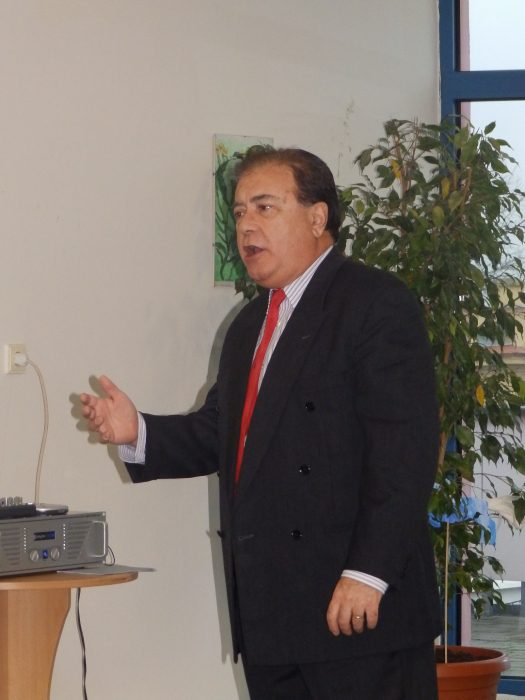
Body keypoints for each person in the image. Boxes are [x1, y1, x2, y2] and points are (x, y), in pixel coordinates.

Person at [80, 147, 442, 699]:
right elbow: (223, 432)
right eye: (240, 211)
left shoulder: (374, 303)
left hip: (359, 611)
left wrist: (369, 573)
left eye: (265, 207)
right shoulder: (250, 324)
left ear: (317, 218)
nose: (246, 225)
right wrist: (138, 432)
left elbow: (405, 456)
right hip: (273, 612)